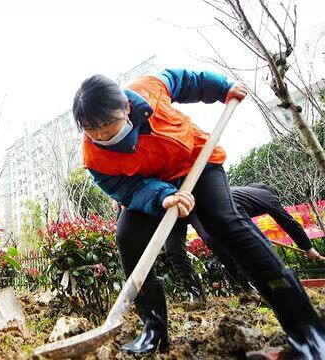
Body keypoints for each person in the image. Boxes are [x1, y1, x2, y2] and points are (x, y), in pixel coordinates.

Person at [73, 69, 325, 358]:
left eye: (107, 123)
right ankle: (154, 331)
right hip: (151, 188)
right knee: (128, 238)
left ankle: (306, 330)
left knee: (225, 223)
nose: (101, 134)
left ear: (126, 107)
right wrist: (163, 197)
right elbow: (124, 190)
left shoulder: (149, 88)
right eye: (91, 129)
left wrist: (223, 89)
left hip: (197, 164)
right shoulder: (94, 156)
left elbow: (186, 80)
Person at [165, 183, 325, 303]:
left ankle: (249, 287)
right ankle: (260, 287)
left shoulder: (246, 193)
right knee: (204, 242)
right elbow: (288, 221)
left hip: (206, 207)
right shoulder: (267, 196)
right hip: (197, 204)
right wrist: (308, 247)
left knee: (212, 242)